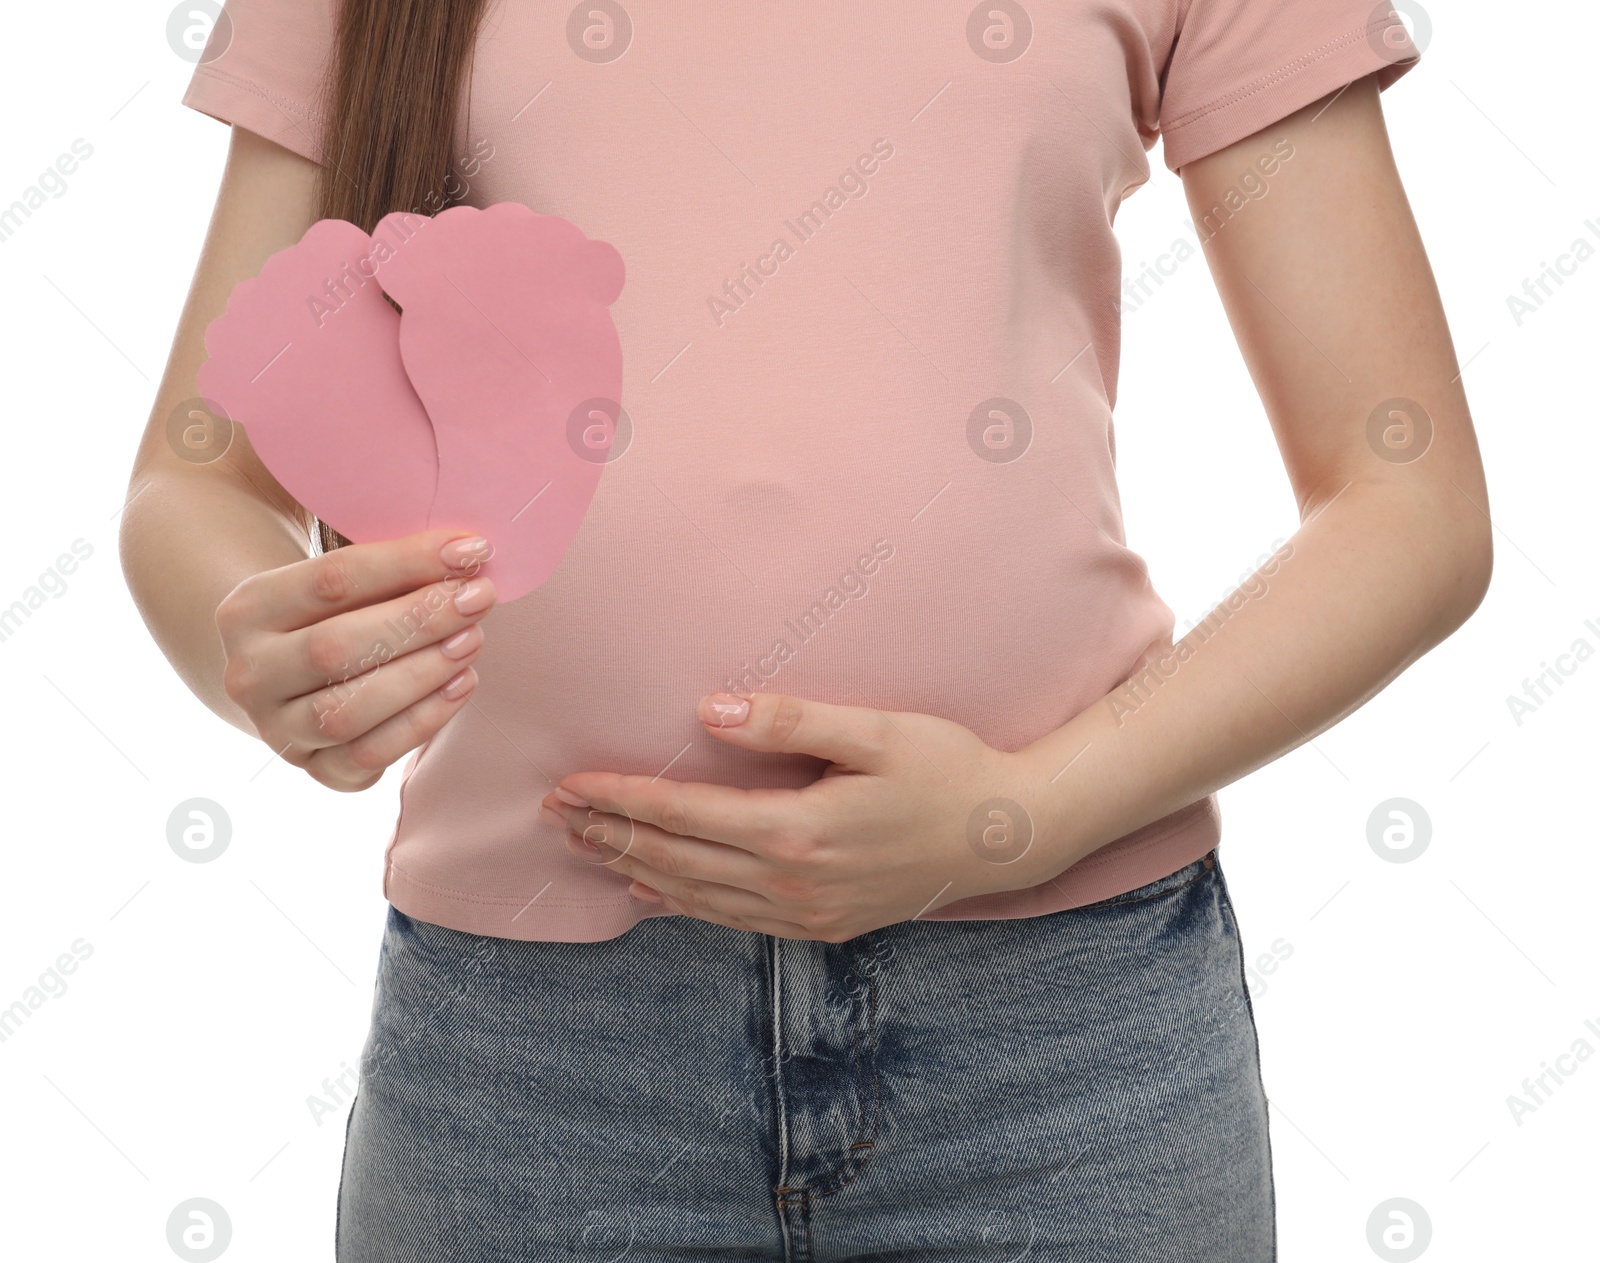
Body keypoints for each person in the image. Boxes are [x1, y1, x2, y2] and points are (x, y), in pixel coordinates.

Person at [121, 0, 1490, 1258]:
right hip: (530, 1057)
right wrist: (265, 653)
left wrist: (1020, 815)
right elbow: (196, 482)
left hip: (1064, 1041)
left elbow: (1408, 504)